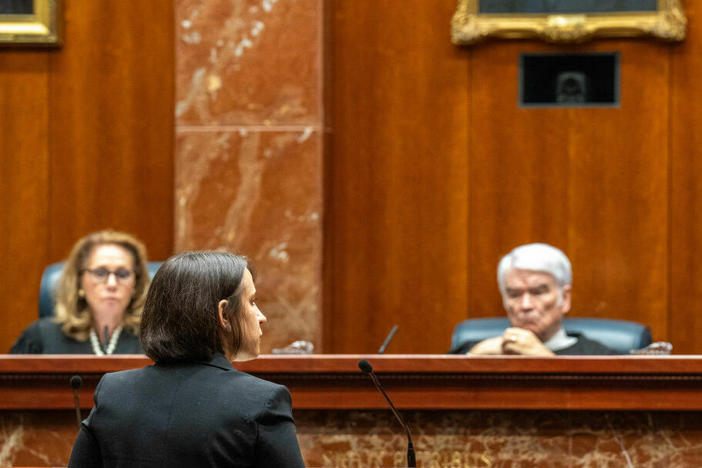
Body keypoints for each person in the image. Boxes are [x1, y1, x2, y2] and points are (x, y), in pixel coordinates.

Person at [68, 251, 305, 468]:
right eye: (251, 302)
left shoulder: (113, 392)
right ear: (224, 314)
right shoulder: (261, 401)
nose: (261, 316)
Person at [456, 243, 618, 356]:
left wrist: (544, 359)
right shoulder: (472, 351)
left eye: (538, 292)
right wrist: (470, 361)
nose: (525, 305)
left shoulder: (599, 357)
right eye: (514, 294)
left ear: (565, 298)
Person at [10, 230, 149, 354]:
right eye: (100, 272)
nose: (112, 284)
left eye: (123, 274)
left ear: (136, 283)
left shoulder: (152, 340)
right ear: (79, 281)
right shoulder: (40, 337)